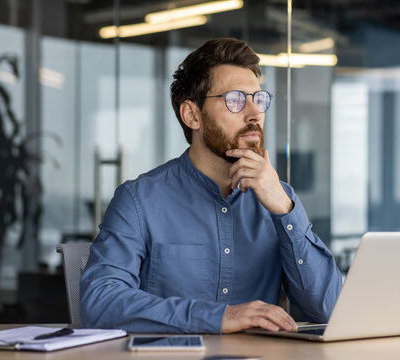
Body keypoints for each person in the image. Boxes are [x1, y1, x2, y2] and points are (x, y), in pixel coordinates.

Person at [80, 38, 342, 334]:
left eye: (258, 99)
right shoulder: (139, 200)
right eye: (235, 100)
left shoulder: (280, 199)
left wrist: (284, 208)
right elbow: (99, 303)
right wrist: (219, 317)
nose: (254, 113)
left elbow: (330, 310)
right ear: (191, 115)